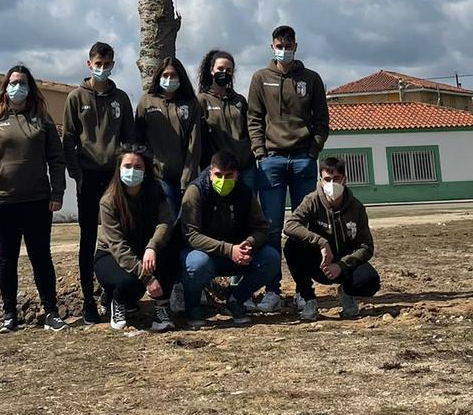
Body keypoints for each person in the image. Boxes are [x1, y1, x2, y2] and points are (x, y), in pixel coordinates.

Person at [0, 65, 67, 333]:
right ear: (5, 87)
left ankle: (51, 311)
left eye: (22, 82)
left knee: (41, 257)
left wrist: (57, 192)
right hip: (3, 204)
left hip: (38, 201)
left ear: (30, 87)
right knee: (7, 259)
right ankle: (9, 314)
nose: (17, 87)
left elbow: (56, 159)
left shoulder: (43, 119)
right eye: (13, 82)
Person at [61, 41, 135, 324]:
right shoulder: (75, 98)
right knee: (88, 238)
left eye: (107, 64)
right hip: (88, 177)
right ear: (89, 64)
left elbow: (130, 139)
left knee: (119, 235)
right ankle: (88, 300)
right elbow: (68, 139)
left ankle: (114, 293)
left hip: (116, 178)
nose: (102, 69)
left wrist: (126, 176)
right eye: (98, 64)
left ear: (113, 65)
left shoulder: (122, 98)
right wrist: (76, 175)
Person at [247, 24, 329, 260]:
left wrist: (313, 152)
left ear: (296, 46)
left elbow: (322, 121)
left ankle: (304, 289)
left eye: (288, 46)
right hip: (271, 161)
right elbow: (253, 118)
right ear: (272, 47)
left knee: (303, 227)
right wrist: (260, 153)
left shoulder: (311, 79)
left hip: (303, 159)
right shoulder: (260, 78)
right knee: (271, 227)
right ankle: (273, 288)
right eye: (279, 46)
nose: (284, 50)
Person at [179, 149, 281, 327]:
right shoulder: (195, 191)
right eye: (218, 175)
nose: (223, 180)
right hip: (204, 255)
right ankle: (193, 307)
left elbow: (262, 228)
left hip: (238, 254)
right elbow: (191, 235)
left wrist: (249, 243)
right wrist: (228, 249)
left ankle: (236, 299)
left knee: (271, 258)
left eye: (228, 176)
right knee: (197, 265)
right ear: (210, 173)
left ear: (236, 175)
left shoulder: (244, 192)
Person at [283, 155, 381, 321]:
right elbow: (290, 225)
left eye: (336, 178)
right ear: (321, 180)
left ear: (344, 179)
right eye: (327, 179)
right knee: (292, 246)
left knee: (370, 281)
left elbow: (366, 246)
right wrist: (320, 242)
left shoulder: (356, 208)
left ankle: (346, 293)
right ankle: (308, 299)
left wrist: (342, 265)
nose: (332, 184)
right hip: (319, 261)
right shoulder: (311, 201)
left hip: (344, 264)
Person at [95, 146, 177, 332]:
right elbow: (117, 246)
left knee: (171, 254)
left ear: (146, 169)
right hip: (111, 255)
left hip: (146, 249)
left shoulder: (156, 192)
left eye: (138, 167)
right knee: (128, 282)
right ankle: (117, 300)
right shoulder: (108, 201)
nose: (132, 171)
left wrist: (152, 246)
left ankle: (161, 309)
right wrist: (147, 278)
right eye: (127, 166)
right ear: (119, 168)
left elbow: (165, 222)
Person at [135, 56, 202, 215]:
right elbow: (138, 138)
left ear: (180, 78)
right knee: (166, 219)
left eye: (173, 76)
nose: (169, 79)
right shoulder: (146, 101)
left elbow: (195, 142)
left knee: (185, 221)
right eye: (165, 76)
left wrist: (187, 175)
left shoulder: (191, 103)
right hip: (157, 174)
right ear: (159, 77)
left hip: (184, 175)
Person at [197, 50, 254, 193]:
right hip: (219, 171)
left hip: (244, 167)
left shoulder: (240, 100)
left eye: (229, 70)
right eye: (220, 69)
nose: (224, 72)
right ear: (211, 70)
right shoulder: (202, 100)